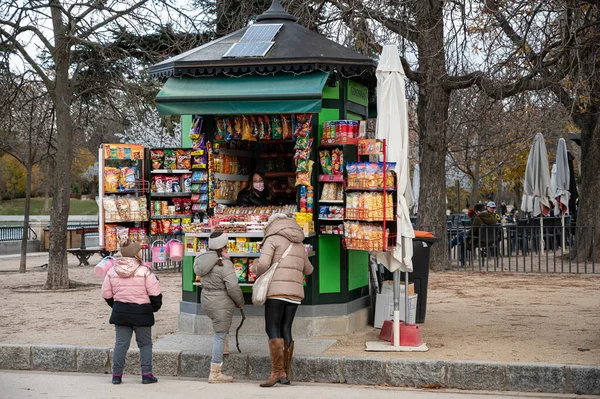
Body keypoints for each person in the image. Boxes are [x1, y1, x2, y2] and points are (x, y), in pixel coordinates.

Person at [251, 213, 313, 387]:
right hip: (294, 294)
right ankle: (286, 374)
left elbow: (263, 265)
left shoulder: (272, 239)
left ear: (272, 225)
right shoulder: (299, 243)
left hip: (276, 292)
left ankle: (277, 372)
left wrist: (255, 266)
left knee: (271, 327)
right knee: (286, 328)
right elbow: (308, 270)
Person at [102, 239, 162, 385]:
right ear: (136, 253)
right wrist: (153, 308)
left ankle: (116, 375)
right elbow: (155, 294)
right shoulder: (145, 271)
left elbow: (106, 294)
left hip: (121, 311)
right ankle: (146, 374)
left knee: (121, 344)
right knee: (145, 344)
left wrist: (116, 306)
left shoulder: (111, 271)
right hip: (142, 311)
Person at [193, 232, 244, 383]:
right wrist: (240, 302)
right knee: (220, 335)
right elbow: (233, 287)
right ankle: (215, 373)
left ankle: (225, 349)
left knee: (220, 327)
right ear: (224, 246)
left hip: (207, 298)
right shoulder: (225, 264)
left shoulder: (201, 260)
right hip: (220, 300)